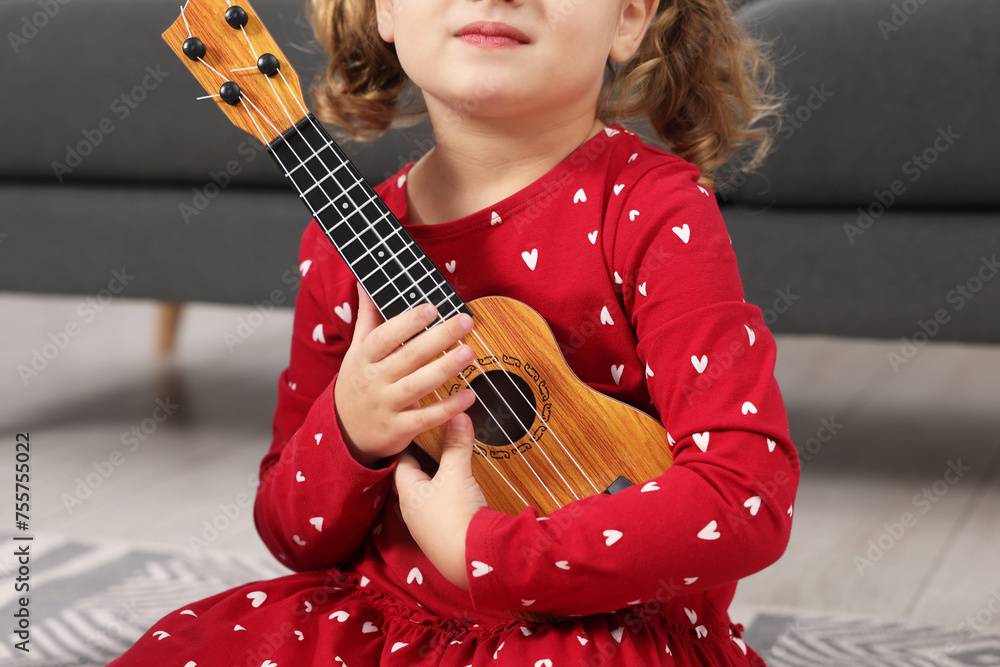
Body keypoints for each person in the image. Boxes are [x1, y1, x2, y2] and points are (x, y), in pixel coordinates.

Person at [111, 0, 798, 663]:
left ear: (628, 17)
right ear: (383, 9)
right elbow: (292, 534)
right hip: (387, 623)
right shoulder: (342, 248)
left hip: (597, 631)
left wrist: (488, 549)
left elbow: (745, 493)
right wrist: (350, 429)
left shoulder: (654, 211)